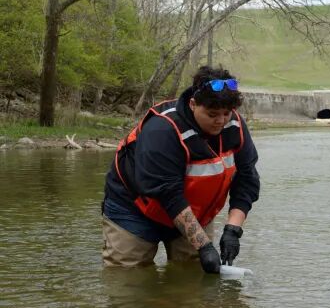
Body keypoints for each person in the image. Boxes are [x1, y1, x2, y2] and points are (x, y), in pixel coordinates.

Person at [102, 65, 260, 273]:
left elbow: (246, 179)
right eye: (212, 114)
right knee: (129, 279)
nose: (220, 121)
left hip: (195, 210)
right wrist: (203, 245)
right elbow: (168, 194)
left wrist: (233, 230)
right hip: (135, 209)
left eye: (226, 113)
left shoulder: (235, 126)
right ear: (193, 104)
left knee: (193, 275)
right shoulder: (163, 130)